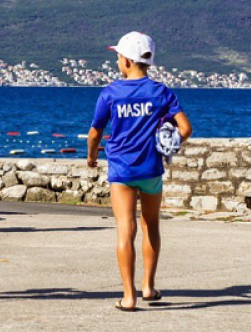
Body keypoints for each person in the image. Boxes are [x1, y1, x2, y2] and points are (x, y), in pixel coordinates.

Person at [86, 32, 193, 312]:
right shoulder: (161, 92)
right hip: (151, 169)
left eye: (118, 56)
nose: (117, 61)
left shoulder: (110, 93)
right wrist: (168, 142)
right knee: (151, 225)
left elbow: (95, 133)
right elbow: (185, 128)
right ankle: (148, 287)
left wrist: (90, 157)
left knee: (125, 229)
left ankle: (128, 296)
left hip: (122, 170)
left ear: (128, 61)